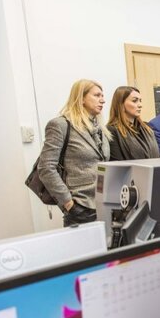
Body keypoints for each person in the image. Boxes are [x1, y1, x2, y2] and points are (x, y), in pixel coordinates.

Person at [38, 79, 110, 227]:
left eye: (102, 96)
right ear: (81, 98)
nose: (103, 100)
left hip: (104, 205)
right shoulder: (60, 125)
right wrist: (68, 203)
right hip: (80, 207)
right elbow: (46, 168)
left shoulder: (99, 128)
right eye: (97, 95)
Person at [106, 86, 160, 160]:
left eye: (140, 101)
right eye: (134, 101)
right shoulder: (112, 130)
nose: (140, 105)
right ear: (121, 104)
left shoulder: (147, 128)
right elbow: (117, 162)